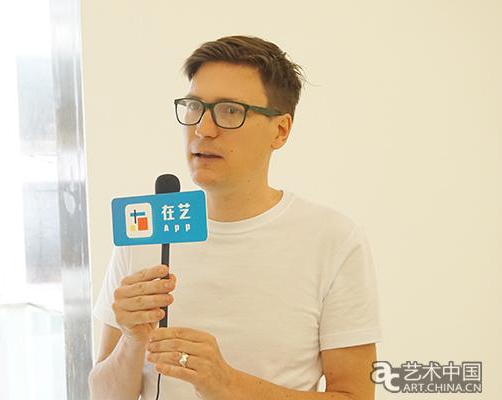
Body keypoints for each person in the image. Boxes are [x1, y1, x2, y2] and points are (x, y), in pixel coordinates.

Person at [88, 35, 382, 400]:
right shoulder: (148, 230)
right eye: (194, 107)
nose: (203, 129)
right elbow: (103, 393)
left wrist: (228, 384)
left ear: (280, 130)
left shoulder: (333, 239)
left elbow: (355, 395)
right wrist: (132, 342)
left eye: (230, 111)